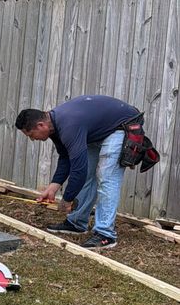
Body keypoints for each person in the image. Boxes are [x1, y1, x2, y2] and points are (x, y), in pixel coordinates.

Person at [14, 95, 141, 250]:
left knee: (106, 178)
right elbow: (65, 157)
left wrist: (67, 199)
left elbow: (78, 169)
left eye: (31, 135)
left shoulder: (68, 126)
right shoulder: (53, 125)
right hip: (100, 129)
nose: (33, 139)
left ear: (41, 125)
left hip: (122, 126)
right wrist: (53, 187)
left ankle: (106, 235)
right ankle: (77, 223)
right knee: (89, 174)